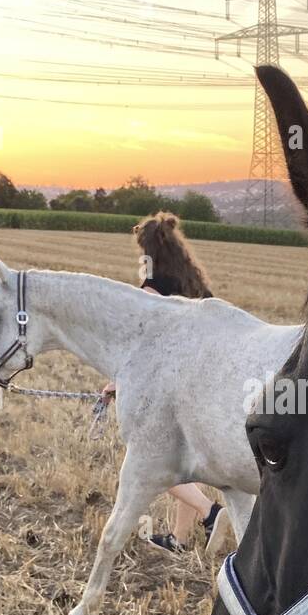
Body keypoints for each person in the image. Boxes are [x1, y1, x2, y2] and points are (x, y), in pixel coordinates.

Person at [104, 212, 228, 557]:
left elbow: (145, 345)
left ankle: (209, 511)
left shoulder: (151, 287)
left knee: (156, 462)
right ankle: (180, 539)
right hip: (205, 378)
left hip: (174, 387)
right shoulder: (192, 279)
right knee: (185, 458)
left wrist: (117, 383)